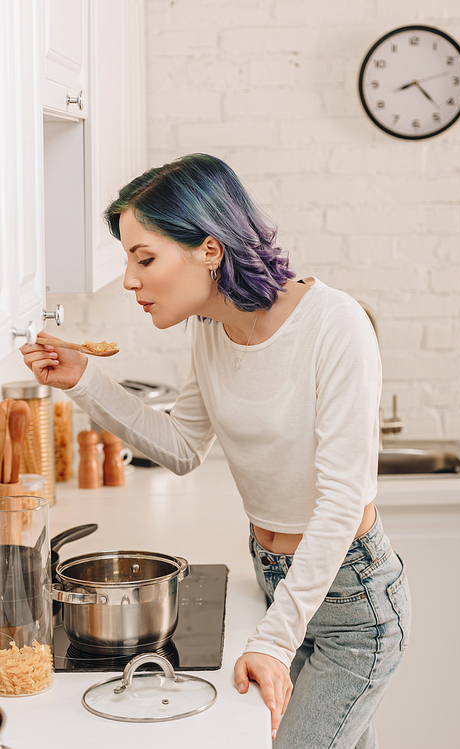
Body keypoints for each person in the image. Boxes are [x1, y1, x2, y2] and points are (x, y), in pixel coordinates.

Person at [21, 153, 411, 748]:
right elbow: (180, 447)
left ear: (209, 248)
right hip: (278, 581)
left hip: (351, 604)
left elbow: (339, 503)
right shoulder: (210, 328)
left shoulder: (336, 325)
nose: (129, 280)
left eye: (144, 258)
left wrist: (272, 643)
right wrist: (84, 381)